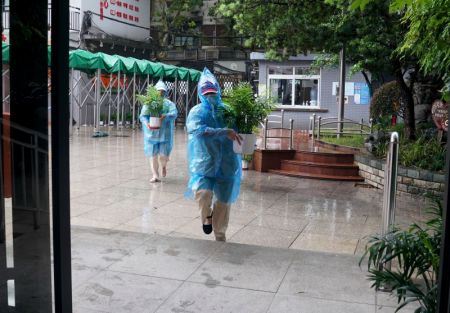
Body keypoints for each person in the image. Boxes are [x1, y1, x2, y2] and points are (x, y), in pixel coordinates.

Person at [185, 68, 242, 241]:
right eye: (206, 92)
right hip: (204, 163)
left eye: (212, 92)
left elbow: (239, 132)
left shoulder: (227, 110)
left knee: (223, 203)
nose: (210, 95)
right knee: (203, 195)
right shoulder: (196, 112)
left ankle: (220, 234)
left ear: (217, 91)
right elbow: (198, 131)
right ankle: (206, 218)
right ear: (202, 94)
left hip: (227, 163)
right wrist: (224, 132)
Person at [139, 80, 178, 183]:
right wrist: (147, 123)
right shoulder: (149, 103)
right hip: (151, 134)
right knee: (153, 156)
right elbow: (143, 116)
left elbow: (174, 113)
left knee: (163, 156)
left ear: (165, 92)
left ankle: (164, 166)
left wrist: (166, 116)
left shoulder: (168, 103)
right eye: (159, 91)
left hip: (165, 134)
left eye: (162, 91)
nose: (160, 93)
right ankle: (155, 175)